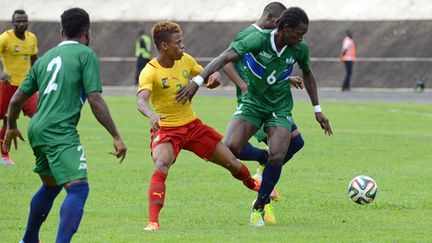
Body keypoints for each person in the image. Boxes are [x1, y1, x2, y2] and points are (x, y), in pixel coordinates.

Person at [176, 7, 333, 227]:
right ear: (284, 28)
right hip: (252, 102)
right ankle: (263, 159)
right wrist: (197, 82)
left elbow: (307, 73)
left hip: (279, 107)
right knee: (230, 147)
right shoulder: (256, 39)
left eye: (303, 35)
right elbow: (224, 58)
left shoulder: (299, 48)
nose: (301, 39)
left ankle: (259, 205)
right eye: (298, 34)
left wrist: (317, 109)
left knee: (279, 155)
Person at [2, 8, 127, 242]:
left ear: (61, 32)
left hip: (37, 128)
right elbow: (95, 99)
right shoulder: (85, 54)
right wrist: (116, 135)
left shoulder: (45, 58)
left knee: (51, 187)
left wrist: (11, 125)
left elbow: (17, 97)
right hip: (59, 130)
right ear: (87, 34)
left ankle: (28, 239)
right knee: (78, 189)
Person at [137, 21, 261, 231]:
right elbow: (141, 101)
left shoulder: (186, 60)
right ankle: (153, 222)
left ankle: (256, 186)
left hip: (193, 127)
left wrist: (214, 78)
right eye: (178, 42)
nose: (183, 46)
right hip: (167, 130)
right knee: (161, 164)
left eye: (182, 41)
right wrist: (151, 114)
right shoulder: (150, 71)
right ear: (164, 46)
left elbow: (208, 74)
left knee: (232, 162)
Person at [0, 9, 38, 165]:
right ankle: (4, 156)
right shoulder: (4, 38)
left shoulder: (32, 38)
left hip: (26, 86)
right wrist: (1, 72)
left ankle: (44, 150)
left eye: (24, 21)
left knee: (39, 113)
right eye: (18, 21)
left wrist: (37, 78)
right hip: (8, 85)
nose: (22, 24)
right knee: (8, 119)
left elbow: (34, 60)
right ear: (12, 23)